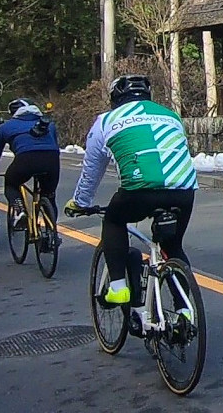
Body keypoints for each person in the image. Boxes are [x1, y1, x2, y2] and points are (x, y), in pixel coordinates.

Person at [64, 75, 197, 323]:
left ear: (115, 99)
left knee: (114, 221)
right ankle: (185, 313)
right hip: (183, 188)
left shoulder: (105, 121)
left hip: (140, 190)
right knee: (173, 246)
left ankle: (118, 287)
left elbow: (91, 171)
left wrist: (80, 203)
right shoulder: (171, 116)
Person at [0, 97, 61, 228]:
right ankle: (51, 235)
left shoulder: (5, 127)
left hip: (25, 159)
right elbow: (55, 145)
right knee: (49, 196)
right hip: (52, 159)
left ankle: (20, 209)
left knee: (11, 184)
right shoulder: (49, 124)